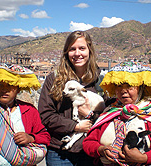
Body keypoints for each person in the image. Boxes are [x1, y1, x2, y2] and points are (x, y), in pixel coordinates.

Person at [82, 61, 151, 166]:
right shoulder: (110, 112)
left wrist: (144, 158)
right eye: (119, 85)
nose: (123, 91)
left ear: (141, 88)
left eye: (129, 86)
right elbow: (89, 142)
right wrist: (100, 150)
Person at [38, 30, 106, 166]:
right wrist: (75, 126)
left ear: (89, 50)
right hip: (59, 151)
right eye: (72, 49)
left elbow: (111, 114)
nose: (77, 53)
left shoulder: (102, 80)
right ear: (66, 53)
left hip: (90, 151)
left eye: (82, 48)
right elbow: (45, 114)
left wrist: (90, 115)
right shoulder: (54, 79)